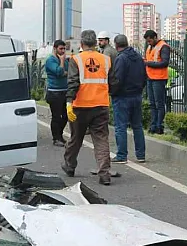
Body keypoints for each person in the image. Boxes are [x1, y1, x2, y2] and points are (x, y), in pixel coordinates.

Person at [62, 30, 118, 185]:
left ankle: (70, 165)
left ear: (81, 44)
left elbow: (72, 82)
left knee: (76, 138)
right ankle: (104, 173)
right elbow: (113, 82)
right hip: (101, 106)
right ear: (95, 43)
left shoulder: (76, 59)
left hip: (80, 106)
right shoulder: (106, 60)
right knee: (101, 140)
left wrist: (68, 103)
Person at [110, 34, 147, 164]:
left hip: (122, 96)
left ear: (116, 45)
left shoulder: (121, 59)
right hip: (136, 95)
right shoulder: (138, 57)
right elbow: (144, 76)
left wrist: (113, 93)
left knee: (121, 127)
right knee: (137, 126)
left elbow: (117, 79)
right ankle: (141, 155)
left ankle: (121, 155)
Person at [143, 30, 170, 134]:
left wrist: (148, 63)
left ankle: (159, 126)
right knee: (152, 104)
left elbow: (164, 63)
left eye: (150, 41)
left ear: (155, 37)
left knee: (159, 104)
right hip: (150, 78)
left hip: (159, 79)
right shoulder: (150, 47)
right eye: (147, 41)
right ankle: (153, 125)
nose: (148, 43)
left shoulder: (164, 46)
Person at [44, 40, 69, 146]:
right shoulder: (51, 60)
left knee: (66, 115)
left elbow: (68, 71)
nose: (63, 51)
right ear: (55, 49)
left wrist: (63, 70)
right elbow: (59, 72)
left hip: (64, 91)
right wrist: (62, 63)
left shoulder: (65, 60)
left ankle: (60, 134)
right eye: (61, 49)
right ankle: (56, 138)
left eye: (64, 49)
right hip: (54, 92)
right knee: (56, 116)